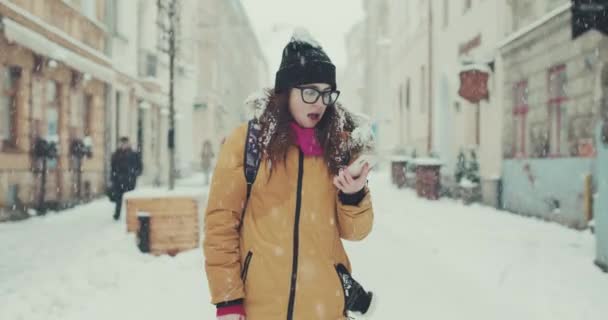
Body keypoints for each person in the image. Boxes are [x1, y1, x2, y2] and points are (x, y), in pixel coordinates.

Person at [203, 29, 375, 320]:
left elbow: (356, 232)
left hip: (325, 310)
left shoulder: (339, 148)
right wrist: (228, 300)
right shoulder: (249, 143)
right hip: (260, 311)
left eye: (326, 93)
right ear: (285, 92)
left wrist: (354, 194)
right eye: (310, 91)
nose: (320, 102)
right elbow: (221, 226)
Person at [110, 137, 142, 220]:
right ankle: (117, 214)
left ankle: (131, 214)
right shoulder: (116, 155)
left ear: (128, 144)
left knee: (130, 199)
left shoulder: (134, 154)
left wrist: (134, 174)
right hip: (118, 180)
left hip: (129, 180)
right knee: (118, 199)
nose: (123, 145)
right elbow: (113, 168)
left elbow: (139, 167)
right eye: (122, 143)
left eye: (125, 143)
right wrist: (113, 178)